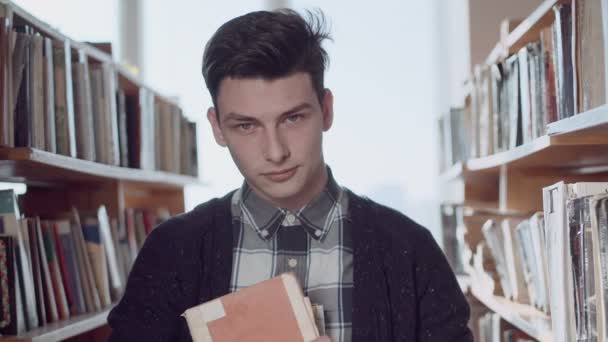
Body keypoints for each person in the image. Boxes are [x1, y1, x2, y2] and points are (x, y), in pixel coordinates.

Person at [108, 9, 472, 342]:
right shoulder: (172, 251)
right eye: (247, 126)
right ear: (217, 128)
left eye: (293, 118)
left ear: (326, 110)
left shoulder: (410, 249)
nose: (276, 151)